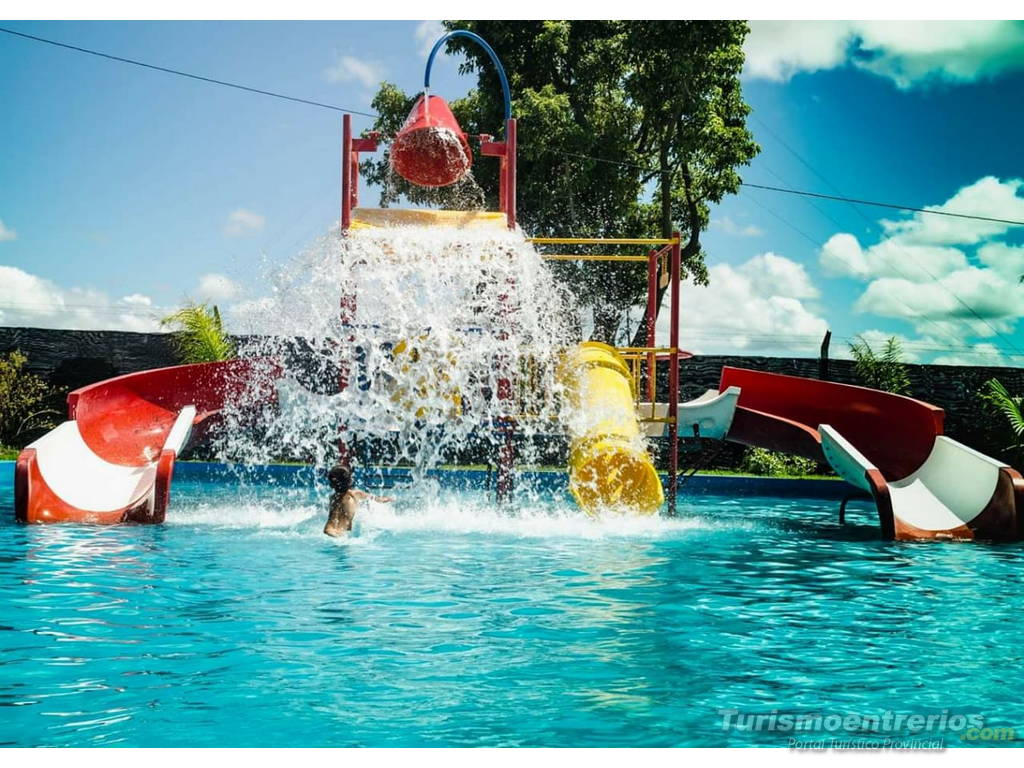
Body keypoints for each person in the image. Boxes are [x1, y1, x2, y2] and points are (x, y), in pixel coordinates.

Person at [323, 464, 394, 537]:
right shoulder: (352, 495)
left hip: (340, 534)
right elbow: (377, 499)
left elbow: (330, 525)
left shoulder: (335, 498)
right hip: (342, 536)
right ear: (350, 481)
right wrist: (387, 499)